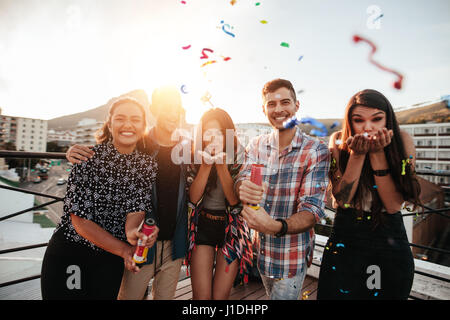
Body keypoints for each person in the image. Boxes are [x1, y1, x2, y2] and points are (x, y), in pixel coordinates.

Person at [66, 86, 189, 300]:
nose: (172, 113)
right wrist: (71, 151)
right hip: (139, 242)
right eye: (166, 107)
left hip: (173, 243)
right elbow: (110, 150)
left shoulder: (187, 147)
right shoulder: (140, 144)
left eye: (176, 108)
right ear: (153, 110)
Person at [41, 93, 158, 299]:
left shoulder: (147, 165)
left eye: (135, 119)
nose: (128, 125)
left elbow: (136, 211)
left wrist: (135, 234)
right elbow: (80, 222)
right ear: (110, 124)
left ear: (143, 127)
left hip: (109, 260)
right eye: (120, 118)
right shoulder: (86, 157)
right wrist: (124, 250)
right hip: (72, 252)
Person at [317, 89, 421, 300]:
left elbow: (392, 206)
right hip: (346, 233)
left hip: (388, 236)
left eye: (377, 119)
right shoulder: (337, 141)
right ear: (350, 121)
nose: (368, 127)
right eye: (358, 120)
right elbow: (343, 200)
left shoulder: (402, 140)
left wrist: (377, 153)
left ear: (387, 119)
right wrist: (357, 155)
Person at [235, 78, 330, 300]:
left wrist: (275, 226)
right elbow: (243, 176)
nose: (278, 110)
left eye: (285, 102)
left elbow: (312, 210)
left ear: (297, 106)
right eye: (271, 104)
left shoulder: (316, 150)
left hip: (291, 257)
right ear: (263, 109)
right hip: (261, 252)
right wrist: (242, 187)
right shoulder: (256, 144)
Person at [185, 108, 253, 300]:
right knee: (202, 297)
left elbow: (234, 202)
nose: (213, 138)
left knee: (220, 296)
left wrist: (221, 166)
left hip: (230, 228)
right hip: (203, 225)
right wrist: (206, 167)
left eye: (219, 133)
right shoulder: (193, 154)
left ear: (227, 134)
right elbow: (192, 198)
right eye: (208, 132)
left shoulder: (239, 154)